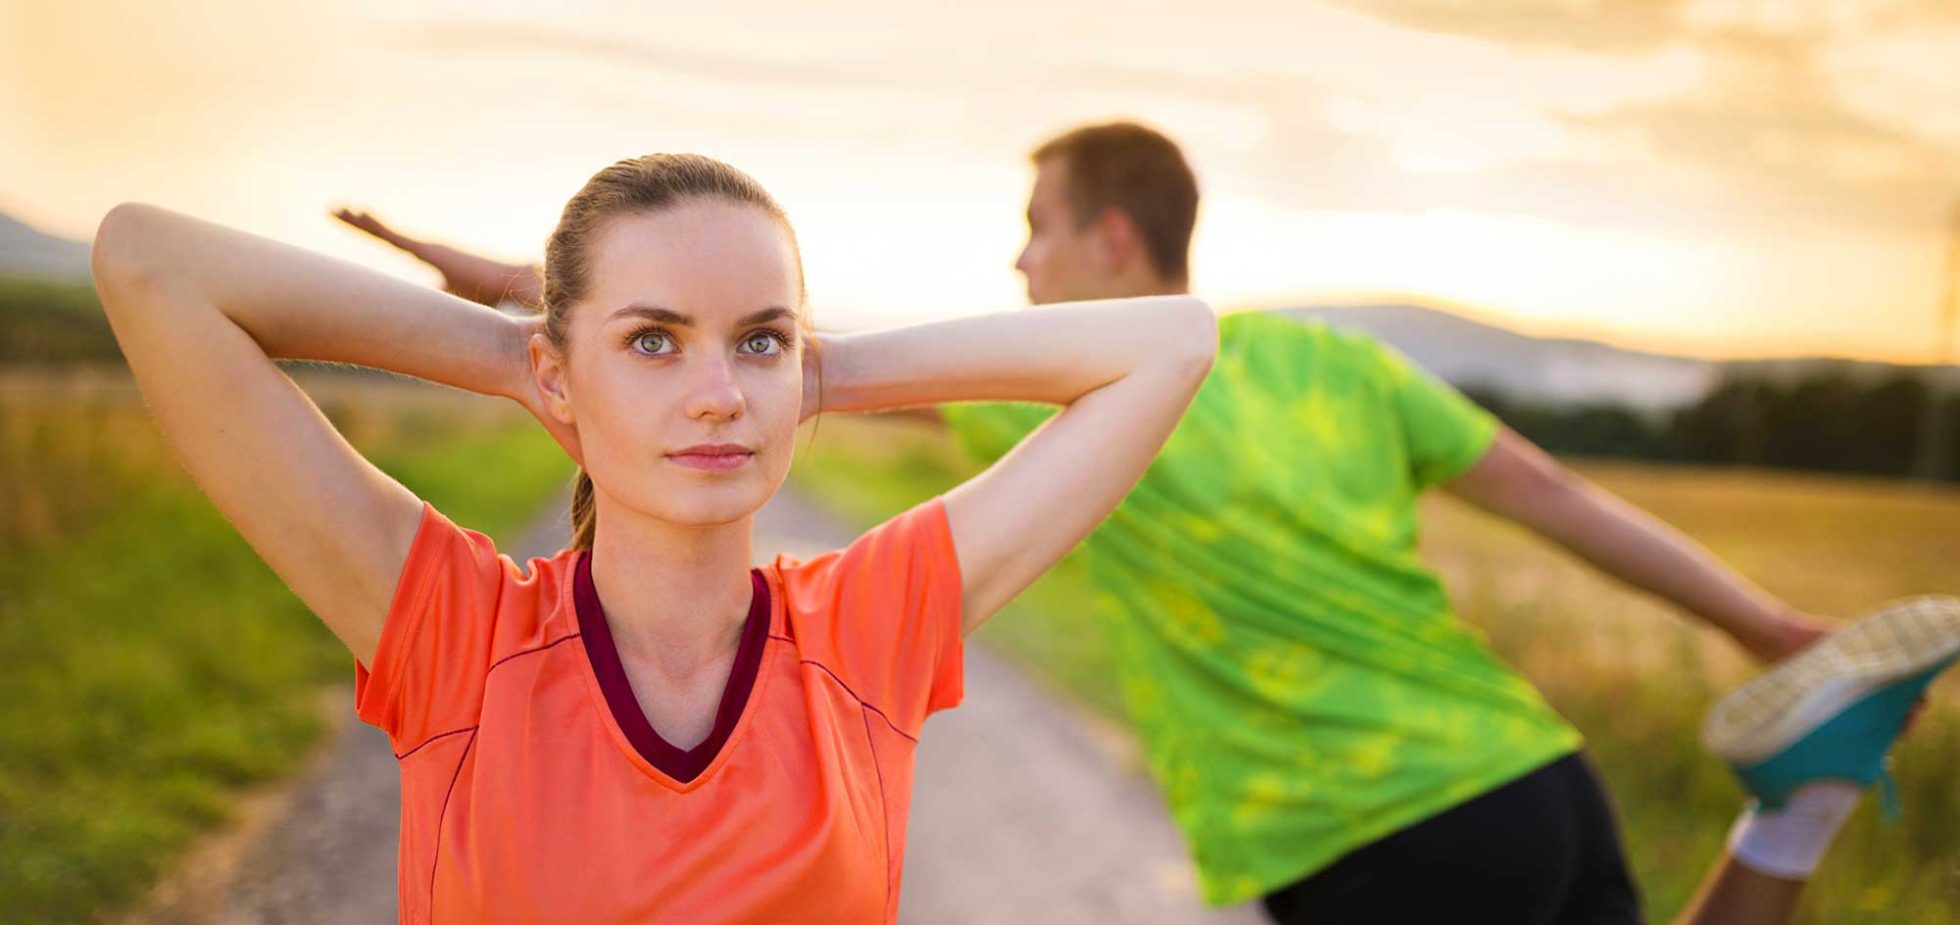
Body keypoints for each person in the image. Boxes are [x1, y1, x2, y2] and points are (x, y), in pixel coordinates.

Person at [330, 128, 1958, 925]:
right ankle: (1794, 814)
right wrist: (1767, 628)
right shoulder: (1337, 364)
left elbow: (727, 372)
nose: (1020, 264)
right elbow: (1560, 499)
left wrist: (532, 305)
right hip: (1527, 770)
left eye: (1036, 231)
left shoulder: (1044, 405)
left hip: (1347, 828)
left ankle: (1794, 814)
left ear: (1111, 237)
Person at [90, 152, 1216, 924]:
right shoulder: (454, 634)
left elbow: (1171, 342)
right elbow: (149, 262)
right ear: (557, 370)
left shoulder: (868, 629)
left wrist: (828, 372)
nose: (719, 394)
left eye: (759, 341)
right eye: (653, 341)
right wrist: (515, 359)